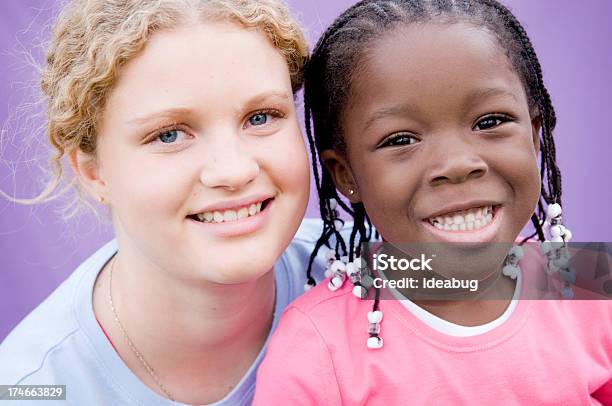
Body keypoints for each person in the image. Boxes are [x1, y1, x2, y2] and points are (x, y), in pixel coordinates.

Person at [254, 0, 612, 404]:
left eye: (490, 121)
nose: (457, 165)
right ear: (346, 176)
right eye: (401, 140)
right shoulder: (316, 349)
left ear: (534, 134)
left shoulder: (592, 284)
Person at [0, 0, 333, 404]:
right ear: (92, 171)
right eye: (169, 135)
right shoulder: (29, 388)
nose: (232, 170)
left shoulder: (387, 270)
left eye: (261, 117)